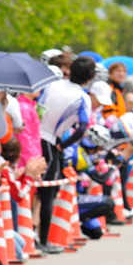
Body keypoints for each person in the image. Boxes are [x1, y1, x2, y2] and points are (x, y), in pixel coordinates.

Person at [36, 56, 95, 254]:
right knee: (47, 195)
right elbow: (82, 128)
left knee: (36, 192)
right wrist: (64, 146)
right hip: (52, 143)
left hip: (36, 136)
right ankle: (43, 241)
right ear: (90, 77)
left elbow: (39, 107)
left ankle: (36, 236)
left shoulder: (54, 84)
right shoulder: (82, 97)